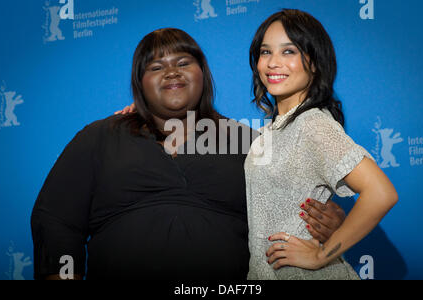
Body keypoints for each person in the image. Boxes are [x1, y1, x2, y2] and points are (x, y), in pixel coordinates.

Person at [31, 27, 344, 280]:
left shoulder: (249, 142)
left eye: (182, 63)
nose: (171, 72)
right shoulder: (99, 136)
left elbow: (292, 207)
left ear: (202, 74)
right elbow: (56, 220)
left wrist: (330, 223)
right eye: (156, 67)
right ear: (140, 85)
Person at [244, 9, 398, 280]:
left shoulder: (312, 124)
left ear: (314, 62)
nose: (272, 62)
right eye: (266, 52)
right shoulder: (273, 130)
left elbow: (381, 193)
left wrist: (320, 255)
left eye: (288, 51)